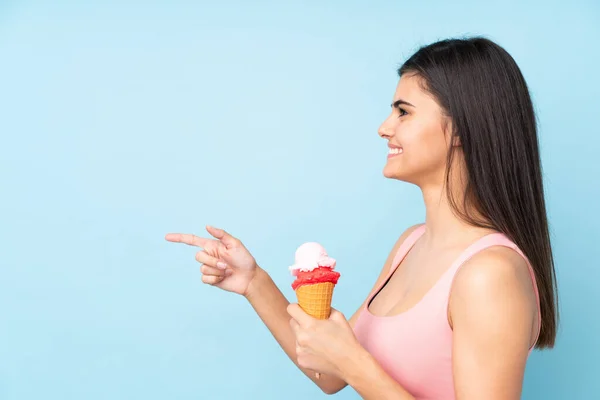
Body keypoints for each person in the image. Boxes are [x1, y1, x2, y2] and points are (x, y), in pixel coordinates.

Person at [165, 36, 558, 399]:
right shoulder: (410, 244)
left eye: (403, 112)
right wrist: (253, 282)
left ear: (460, 127)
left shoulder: (491, 273)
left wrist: (352, 360)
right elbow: (331, 373)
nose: (384, 128)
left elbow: (348, 363)